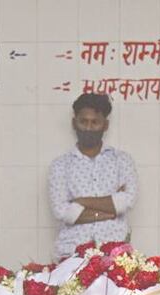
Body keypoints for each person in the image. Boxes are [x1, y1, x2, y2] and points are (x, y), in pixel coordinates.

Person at [47, 93, 139, 259]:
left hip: (115, 253)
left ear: (105, 125)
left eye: (95, 122)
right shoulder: (60, 165)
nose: (88, 128)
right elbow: (62, 212)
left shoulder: (122, 160)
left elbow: (127, 201)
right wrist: (110, 209)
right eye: (83, 121)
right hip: (71, 252)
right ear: (74, 123)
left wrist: (81, 201)